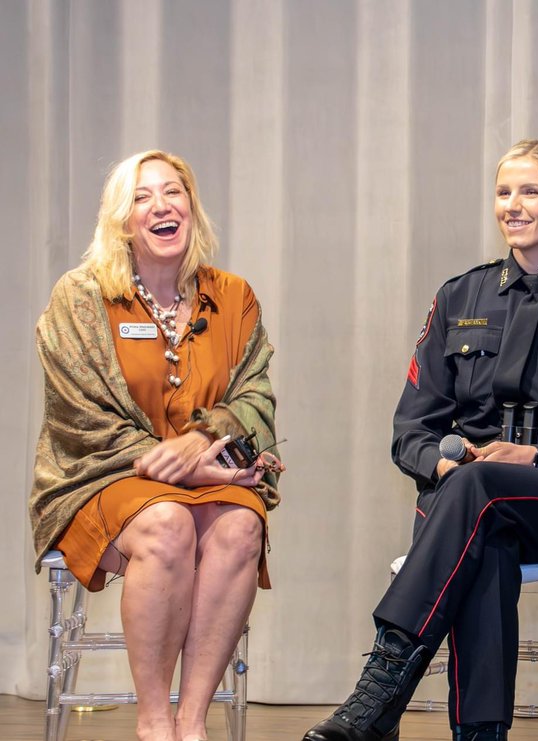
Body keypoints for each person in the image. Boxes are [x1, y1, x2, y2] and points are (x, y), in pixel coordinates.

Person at [303, 139, 538, 741]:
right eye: (503, 192)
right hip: (472, 496)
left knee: (480, 494)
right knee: (482, 523)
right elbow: (411, 430)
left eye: (530, 191)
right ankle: (480, 734)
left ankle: (380, 691)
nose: (512, 206)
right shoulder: (458, 297)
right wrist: (442, 468)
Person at [30, 150, 283, 741]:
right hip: (98, 477)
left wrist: (202, 442)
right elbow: (79, 416)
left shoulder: (233, 296)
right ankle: (153, 723)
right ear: (121, 219)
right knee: (166, 520)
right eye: (142, 197)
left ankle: (191, 722)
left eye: (174, 192)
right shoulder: (81, 297)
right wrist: (174, 470)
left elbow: (256, 400)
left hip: (209, 476)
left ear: (191, 207)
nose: (161, 206)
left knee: (243, 526)